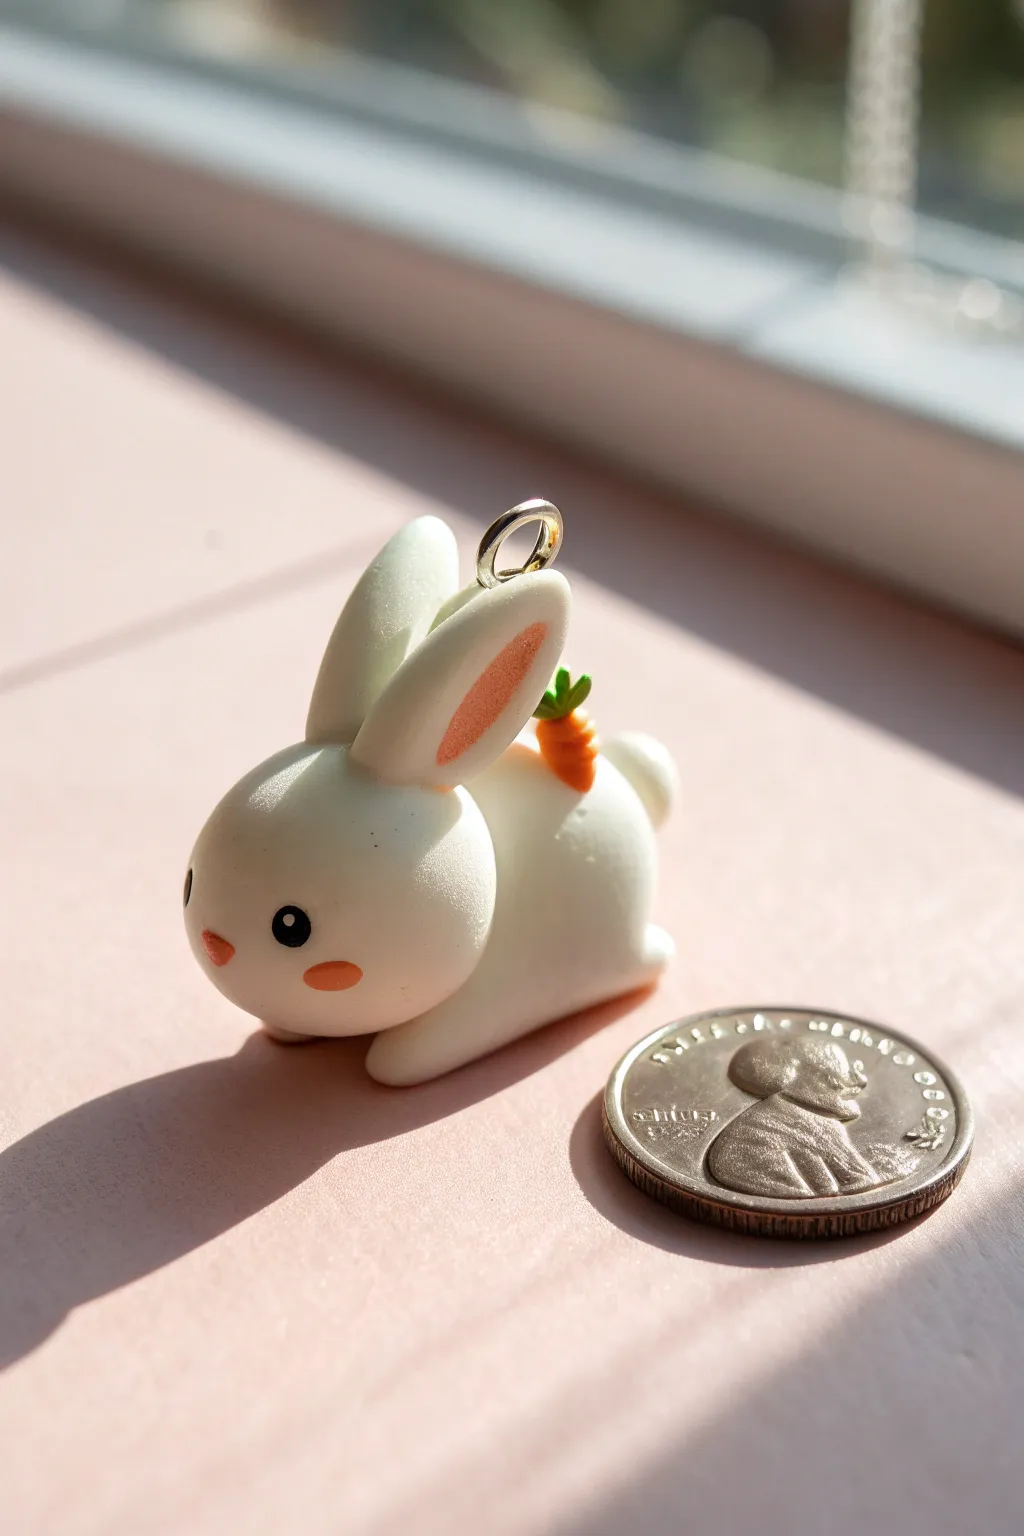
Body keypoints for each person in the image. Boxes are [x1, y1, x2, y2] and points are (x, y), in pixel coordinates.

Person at [706, 1034, 881, 1199]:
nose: (859, 1082)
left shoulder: (819, 1123)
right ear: (797, 1076)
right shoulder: (754, 1136)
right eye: (833, 1078)